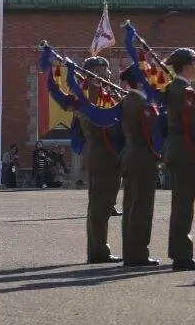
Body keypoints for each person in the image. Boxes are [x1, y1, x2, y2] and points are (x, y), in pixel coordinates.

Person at [162, 48, 195, 271]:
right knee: (184, 205)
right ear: (186, 67)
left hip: (174, 148)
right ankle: (182, 256)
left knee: (179, 204)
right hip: (185, 150)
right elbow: (193, 126)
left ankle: (178, 252)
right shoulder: (187, 92)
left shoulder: (171, 88)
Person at [78, 56, 122, 264]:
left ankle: (98, 248)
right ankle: (98, 250)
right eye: (106, 70)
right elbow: (102, 124)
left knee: (103, 204)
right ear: (96, 72)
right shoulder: (92, 95)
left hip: (104, 153)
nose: (110, 75)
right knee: (100, 205)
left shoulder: (96, 93)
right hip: (102, 152)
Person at [118, 66, 160, 267]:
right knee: (141, 207)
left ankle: (130, 252)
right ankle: (138, 253)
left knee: (131, 206)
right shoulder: (142, 104)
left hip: (130, 155)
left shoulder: (128, 100)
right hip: (143, 157)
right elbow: (152, 133)